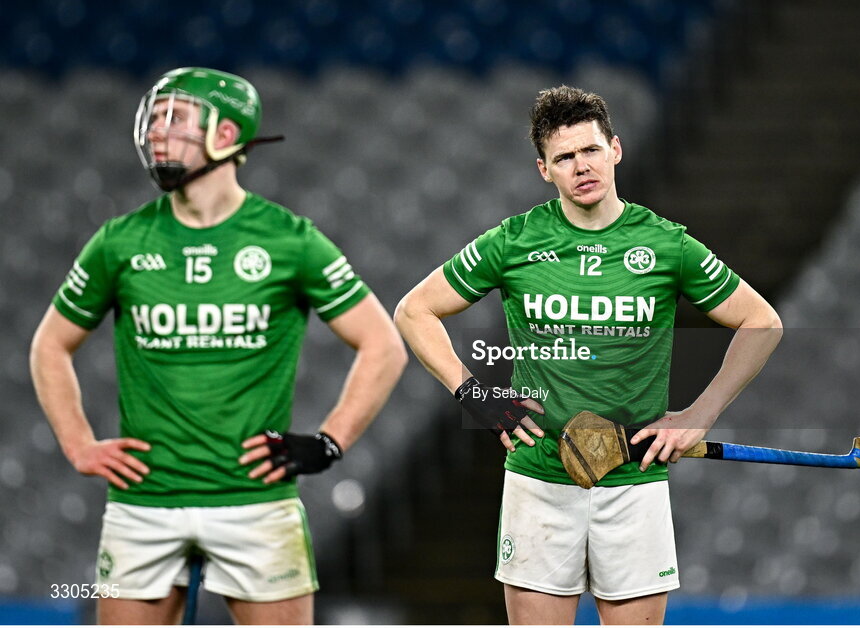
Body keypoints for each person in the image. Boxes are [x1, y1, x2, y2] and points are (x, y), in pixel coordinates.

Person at [29, 67, 407, 625]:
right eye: (153, 117)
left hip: (256, 503)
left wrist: (330, 441)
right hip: (145, 505)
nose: (156, 130)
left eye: (174, 117)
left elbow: (383, 344)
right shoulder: (119, 241)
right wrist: (78, 443)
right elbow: (49, 347)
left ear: (227, 135)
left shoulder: (289, 240)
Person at [394, 85, 783, 624]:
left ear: (615, 150)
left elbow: (762, 321)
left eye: (591, 150)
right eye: (564, 158)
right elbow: (414, 311)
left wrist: (701, 413)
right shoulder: (514, 241)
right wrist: (473, 392)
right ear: (543, 170)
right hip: (538, 479)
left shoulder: (667, 244)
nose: (581, 166)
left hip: (633, 482)